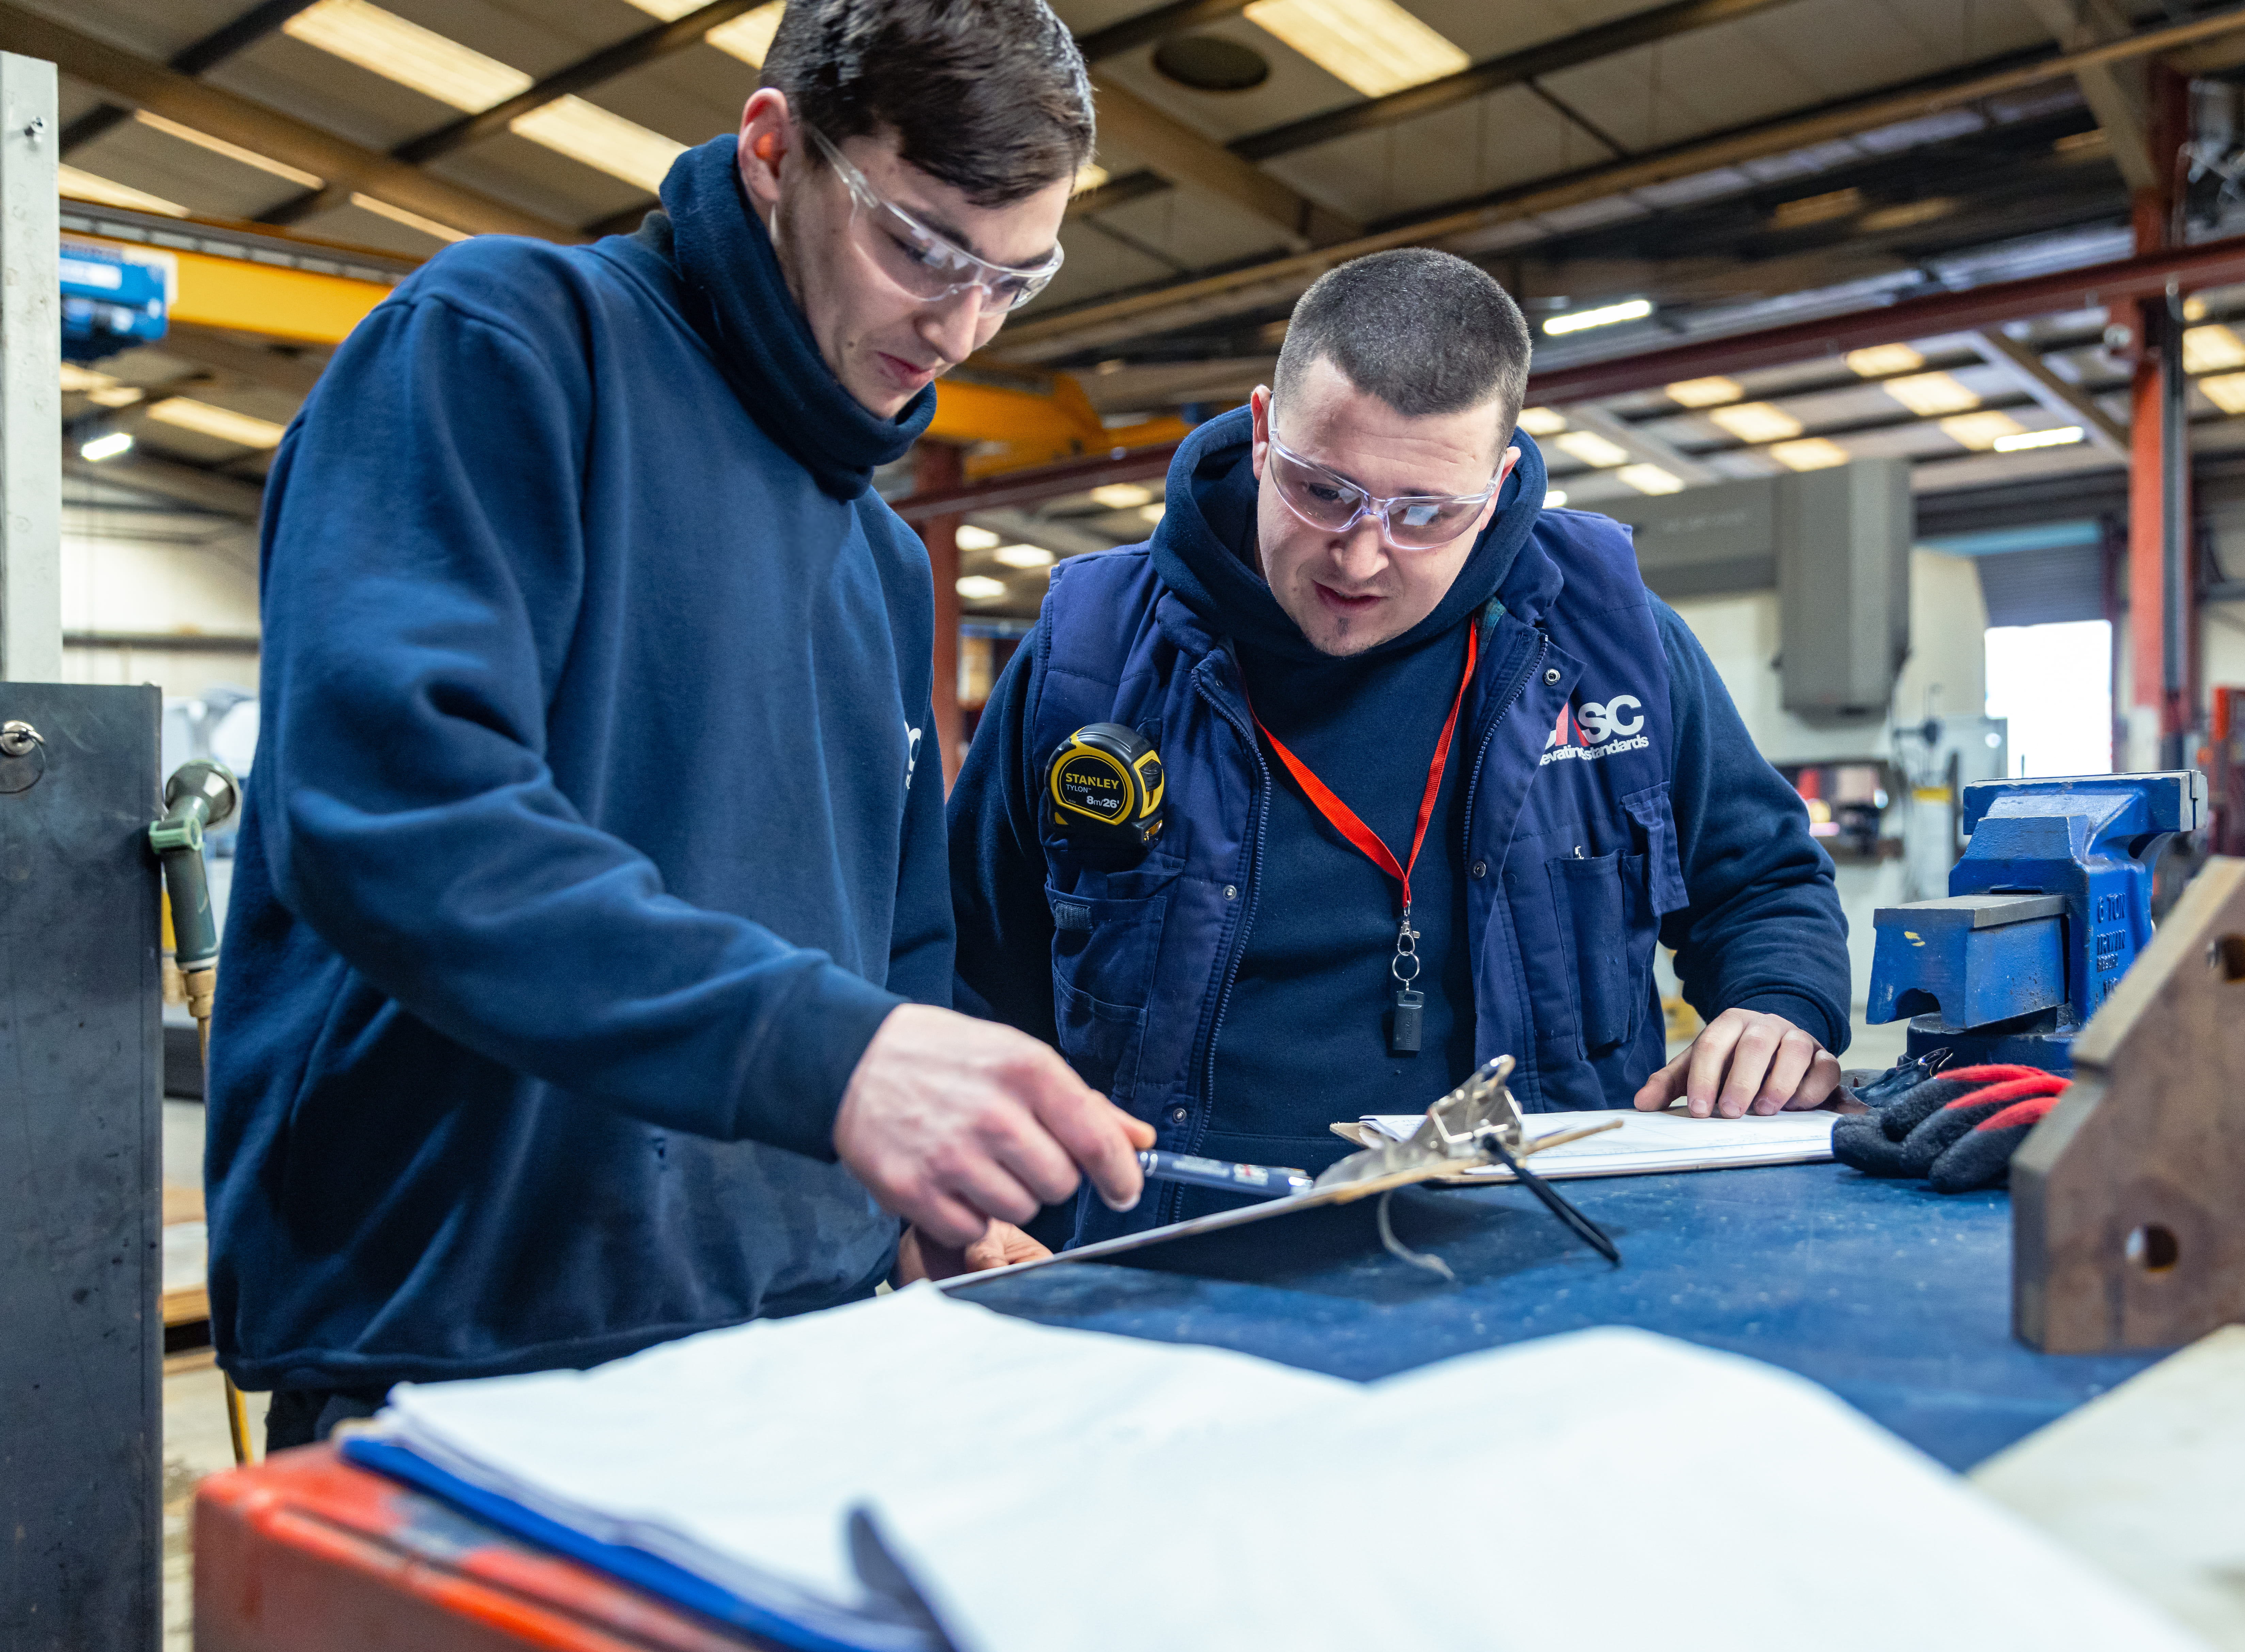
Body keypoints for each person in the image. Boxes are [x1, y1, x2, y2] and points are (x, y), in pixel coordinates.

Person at [207, 0, 1147, 1455]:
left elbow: (891, 945)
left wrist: (905, 1199)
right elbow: (400, 815)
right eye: (919, 250)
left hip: (802, 1338)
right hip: (469, 1348)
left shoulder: (885, 563)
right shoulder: (505, 347)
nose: (959, 328)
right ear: (775, 152)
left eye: (1013, 284)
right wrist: (825, 1056)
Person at [949, 248, 1854, 1246]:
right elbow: (965, 969)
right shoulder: (1091, 654)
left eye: (1426, 514)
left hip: (1540, 1251)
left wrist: (1779, 1004)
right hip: (1160, 1253)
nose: (1361, 555)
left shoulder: (1613, 648)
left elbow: (1762, 881)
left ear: (1499, 482)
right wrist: (966, 1202)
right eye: (1322, 491)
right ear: (1260, 434)